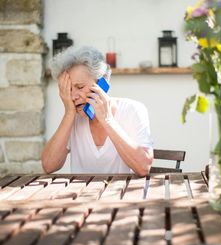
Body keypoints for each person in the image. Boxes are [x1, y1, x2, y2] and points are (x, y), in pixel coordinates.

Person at [42, 46, 153, 176]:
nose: (73, 96)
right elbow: (48, 166)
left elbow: (144, 167)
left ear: (103, 81)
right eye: (69, 90)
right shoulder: (73, 117)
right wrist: (68, 114)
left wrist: (107, 120)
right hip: (79, 195)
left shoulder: (133, 110)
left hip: (120, 195)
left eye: (80, 87)